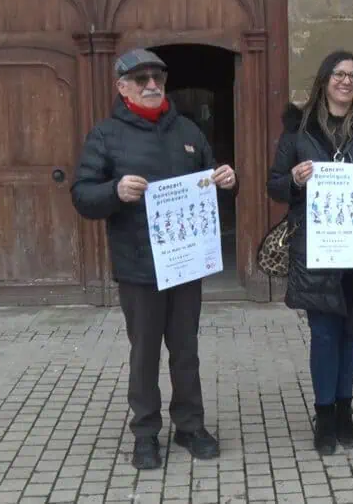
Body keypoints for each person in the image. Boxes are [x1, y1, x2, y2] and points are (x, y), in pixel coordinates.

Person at [70, 48, 238, 470]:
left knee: (186, 349)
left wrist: (228, 181)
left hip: (185, 263)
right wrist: (114, 191)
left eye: (157, 80)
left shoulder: (187, 129)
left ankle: (190, 426)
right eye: (141, 80)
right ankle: (145, 433)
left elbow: (212, 179)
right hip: (139, 266)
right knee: (144, 353)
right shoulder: (106, 135)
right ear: (122, 86)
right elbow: (82, 194)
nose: (151, 86)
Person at [267, 50, 353, 455]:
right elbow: (274, 185)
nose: (346, 81)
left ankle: (344, 409)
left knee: (350, 330)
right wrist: (293, 179)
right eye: (339, 74)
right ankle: (324, 413)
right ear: (324, 79)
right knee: (324, 333)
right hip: (318, 247)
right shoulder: (300, 129)